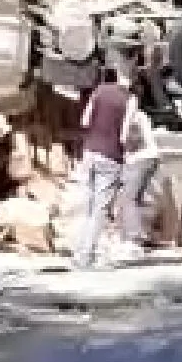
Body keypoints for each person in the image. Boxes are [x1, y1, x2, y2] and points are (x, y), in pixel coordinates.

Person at [73, 66, 134, 269]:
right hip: (110, 157)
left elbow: (84, 120)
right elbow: (124, 135)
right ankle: (86, 257)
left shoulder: (99, 90)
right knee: (100, 209)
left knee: (87, 206)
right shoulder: (130, 99)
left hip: (89, 152)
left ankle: (78, 251)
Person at [120, 100, 160, 254]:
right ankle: (141, 233)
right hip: (151, 158)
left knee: (129, 199)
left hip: (139, 159)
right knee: (137, 199)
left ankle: (133, 239)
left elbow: (129, 142)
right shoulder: (142, 116)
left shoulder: (132, 119)